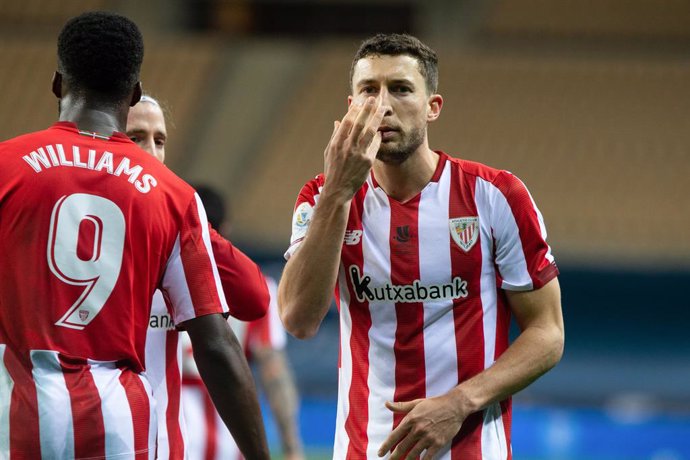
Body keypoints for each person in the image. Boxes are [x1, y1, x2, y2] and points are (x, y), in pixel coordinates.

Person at [278, 33, 564, 459]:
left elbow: (548, 333)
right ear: (351, 106)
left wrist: (459, 402)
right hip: (361, 450)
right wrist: (338, 193)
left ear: (433, 107)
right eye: (368, 91)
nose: (383, 105)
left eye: (401, 89)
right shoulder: (322, 198)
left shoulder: (495, 196)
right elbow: (298, 320)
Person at [0, 12, 269, 460]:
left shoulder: (7, 166)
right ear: (135, 93)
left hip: (17, 419)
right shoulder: (170, 195)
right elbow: (216, 344)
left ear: (56, 84)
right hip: (122, 426)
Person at [126, 98, 304, 459]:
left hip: (179, 438)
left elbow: (255, 298)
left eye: (159, 141)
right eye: (136, 138)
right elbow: (271, 366)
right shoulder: (81, 237)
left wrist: (191, 223)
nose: (150, 152)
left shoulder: (181, 239)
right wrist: (291, 444)